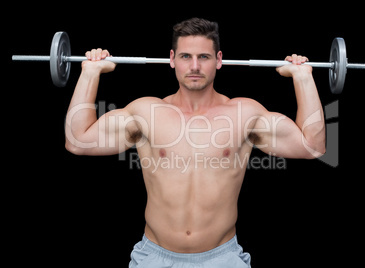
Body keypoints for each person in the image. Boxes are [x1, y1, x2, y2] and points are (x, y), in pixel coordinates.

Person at [65, 18, 326, 268]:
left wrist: (303, 78)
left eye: (203, 57)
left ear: (219, 60)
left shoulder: (244, 113)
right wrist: (91, 72)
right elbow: (78, 140)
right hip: (155, 258)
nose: (194, 66)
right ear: (172, 60)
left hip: (222, 259)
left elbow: (313, 146)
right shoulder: (146, 112)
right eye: (185, 56)